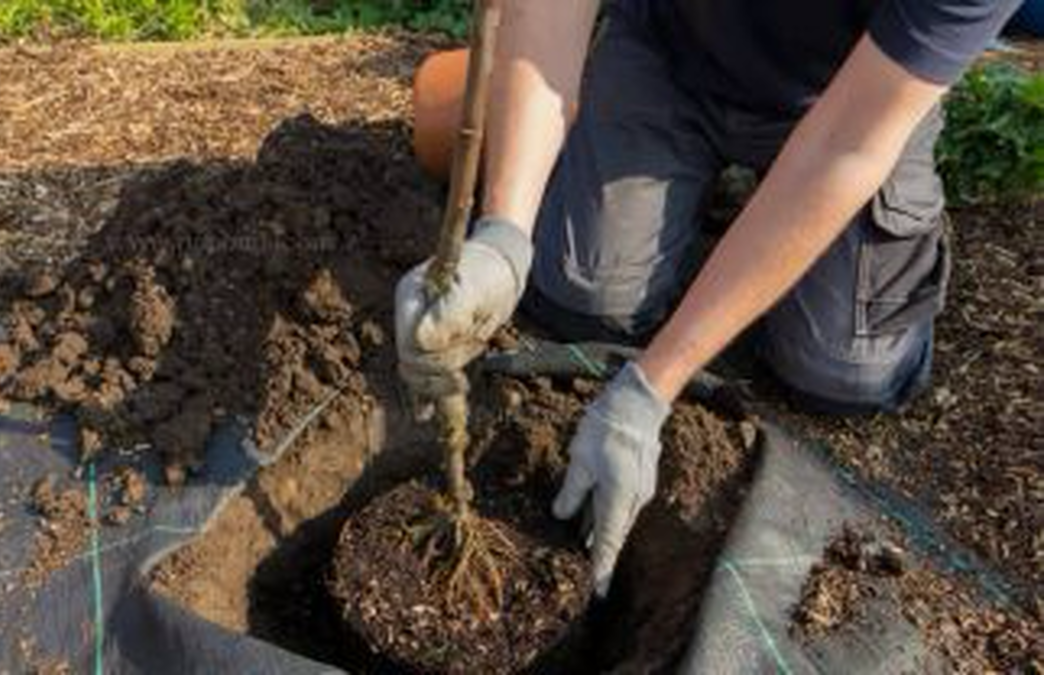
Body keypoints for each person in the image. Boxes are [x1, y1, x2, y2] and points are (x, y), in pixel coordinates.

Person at [395, 0, 1022, 597]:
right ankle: (703, 205)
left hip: (854, 97)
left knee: (844, 373)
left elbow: (847, 144)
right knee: (582, 299)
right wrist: (505, 233)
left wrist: (653, 384)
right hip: (672, 53)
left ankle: (794, 237)